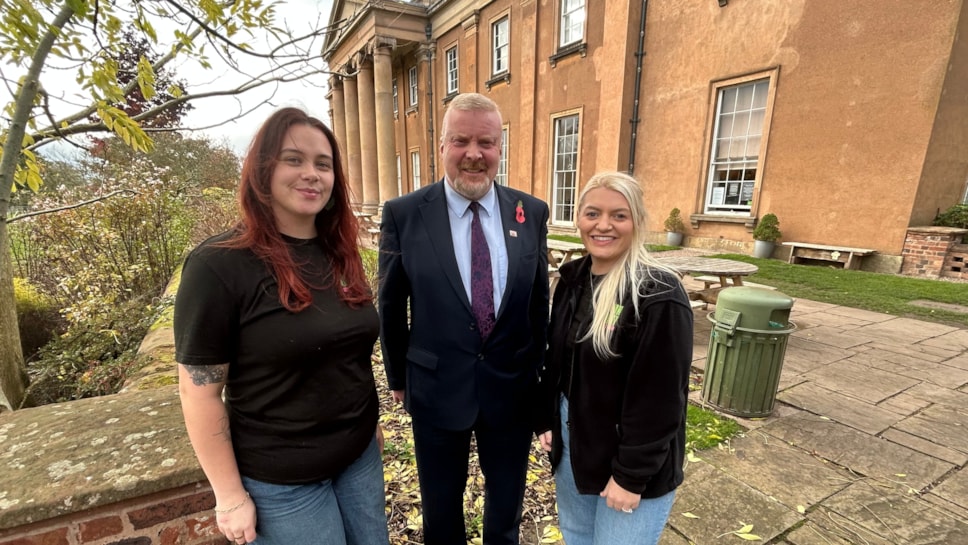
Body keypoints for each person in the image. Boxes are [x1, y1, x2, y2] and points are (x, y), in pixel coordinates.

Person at [174, 107, 389, 545]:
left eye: (323, 164)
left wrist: (369, 427)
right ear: (262, 169)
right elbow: (198, 392)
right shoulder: (219, 265)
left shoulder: (339, 252)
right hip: (284, 480)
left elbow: (348, 352)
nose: (311, 174)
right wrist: (230, 496)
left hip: (359, 457)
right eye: (294, 159)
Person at [378, 92, 550, 545]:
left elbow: (538, 302)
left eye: (486, 143)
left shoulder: (530, 212)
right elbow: (392, 304)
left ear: (499, 149)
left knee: (505, 515)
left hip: (511, 389)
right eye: (461, 141)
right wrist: (399, 378)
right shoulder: (404, 214)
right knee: (440, 514)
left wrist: (537, 372)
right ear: (442, 147)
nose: (474, 154)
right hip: (435, 388)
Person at [536, 171, 693, 545]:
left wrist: (630, 476)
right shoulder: (572, 280)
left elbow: (661, 401)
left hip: (631, 460)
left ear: (636, 221)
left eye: (618, 215)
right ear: (578, 219)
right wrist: (545, 417)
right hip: (574, 446)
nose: (603, 225)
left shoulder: (657, 296)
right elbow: (557, 360)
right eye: (593, 213)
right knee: (577, 538)